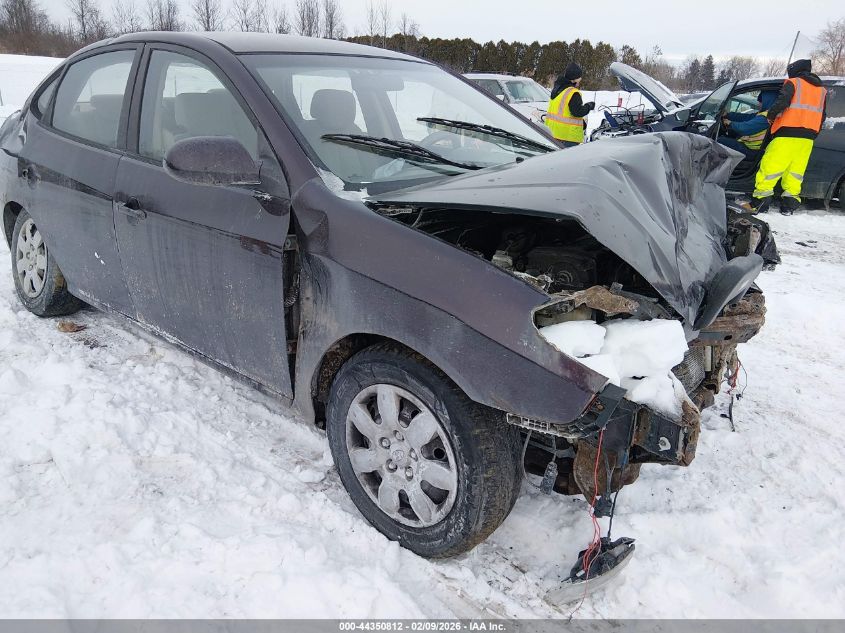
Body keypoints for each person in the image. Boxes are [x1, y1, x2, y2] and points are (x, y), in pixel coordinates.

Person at [743, 59, 827, 215]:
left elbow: (783, 101)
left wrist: (771, 115)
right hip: (807, 139)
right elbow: (823, 115)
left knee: (770, 168)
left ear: (795, 70)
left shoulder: (793, 83)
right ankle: (789, 205)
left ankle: (759, 203)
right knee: (795, 172)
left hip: (787, 133)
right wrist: (814, 132)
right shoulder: (821, 90)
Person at [545, 63, 595, 147]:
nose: (580, 80)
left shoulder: (558, 89)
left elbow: (565, 111)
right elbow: (577, 112)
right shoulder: (572, 93)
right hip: (567, 137)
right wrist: (589, 106)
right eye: (579, 78)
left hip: (553, 134)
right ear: (574, 79)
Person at [718, 90, 778, 159]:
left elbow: (744, 129)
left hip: (752, 150)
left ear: (768, 101)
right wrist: (728, 115)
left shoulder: (766, 118)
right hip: (750, 145)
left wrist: (730, 123)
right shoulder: (766, 114)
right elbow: (746, 117)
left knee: (719, 141)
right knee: (729, 135)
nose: (758, 103)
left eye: (761, 101)